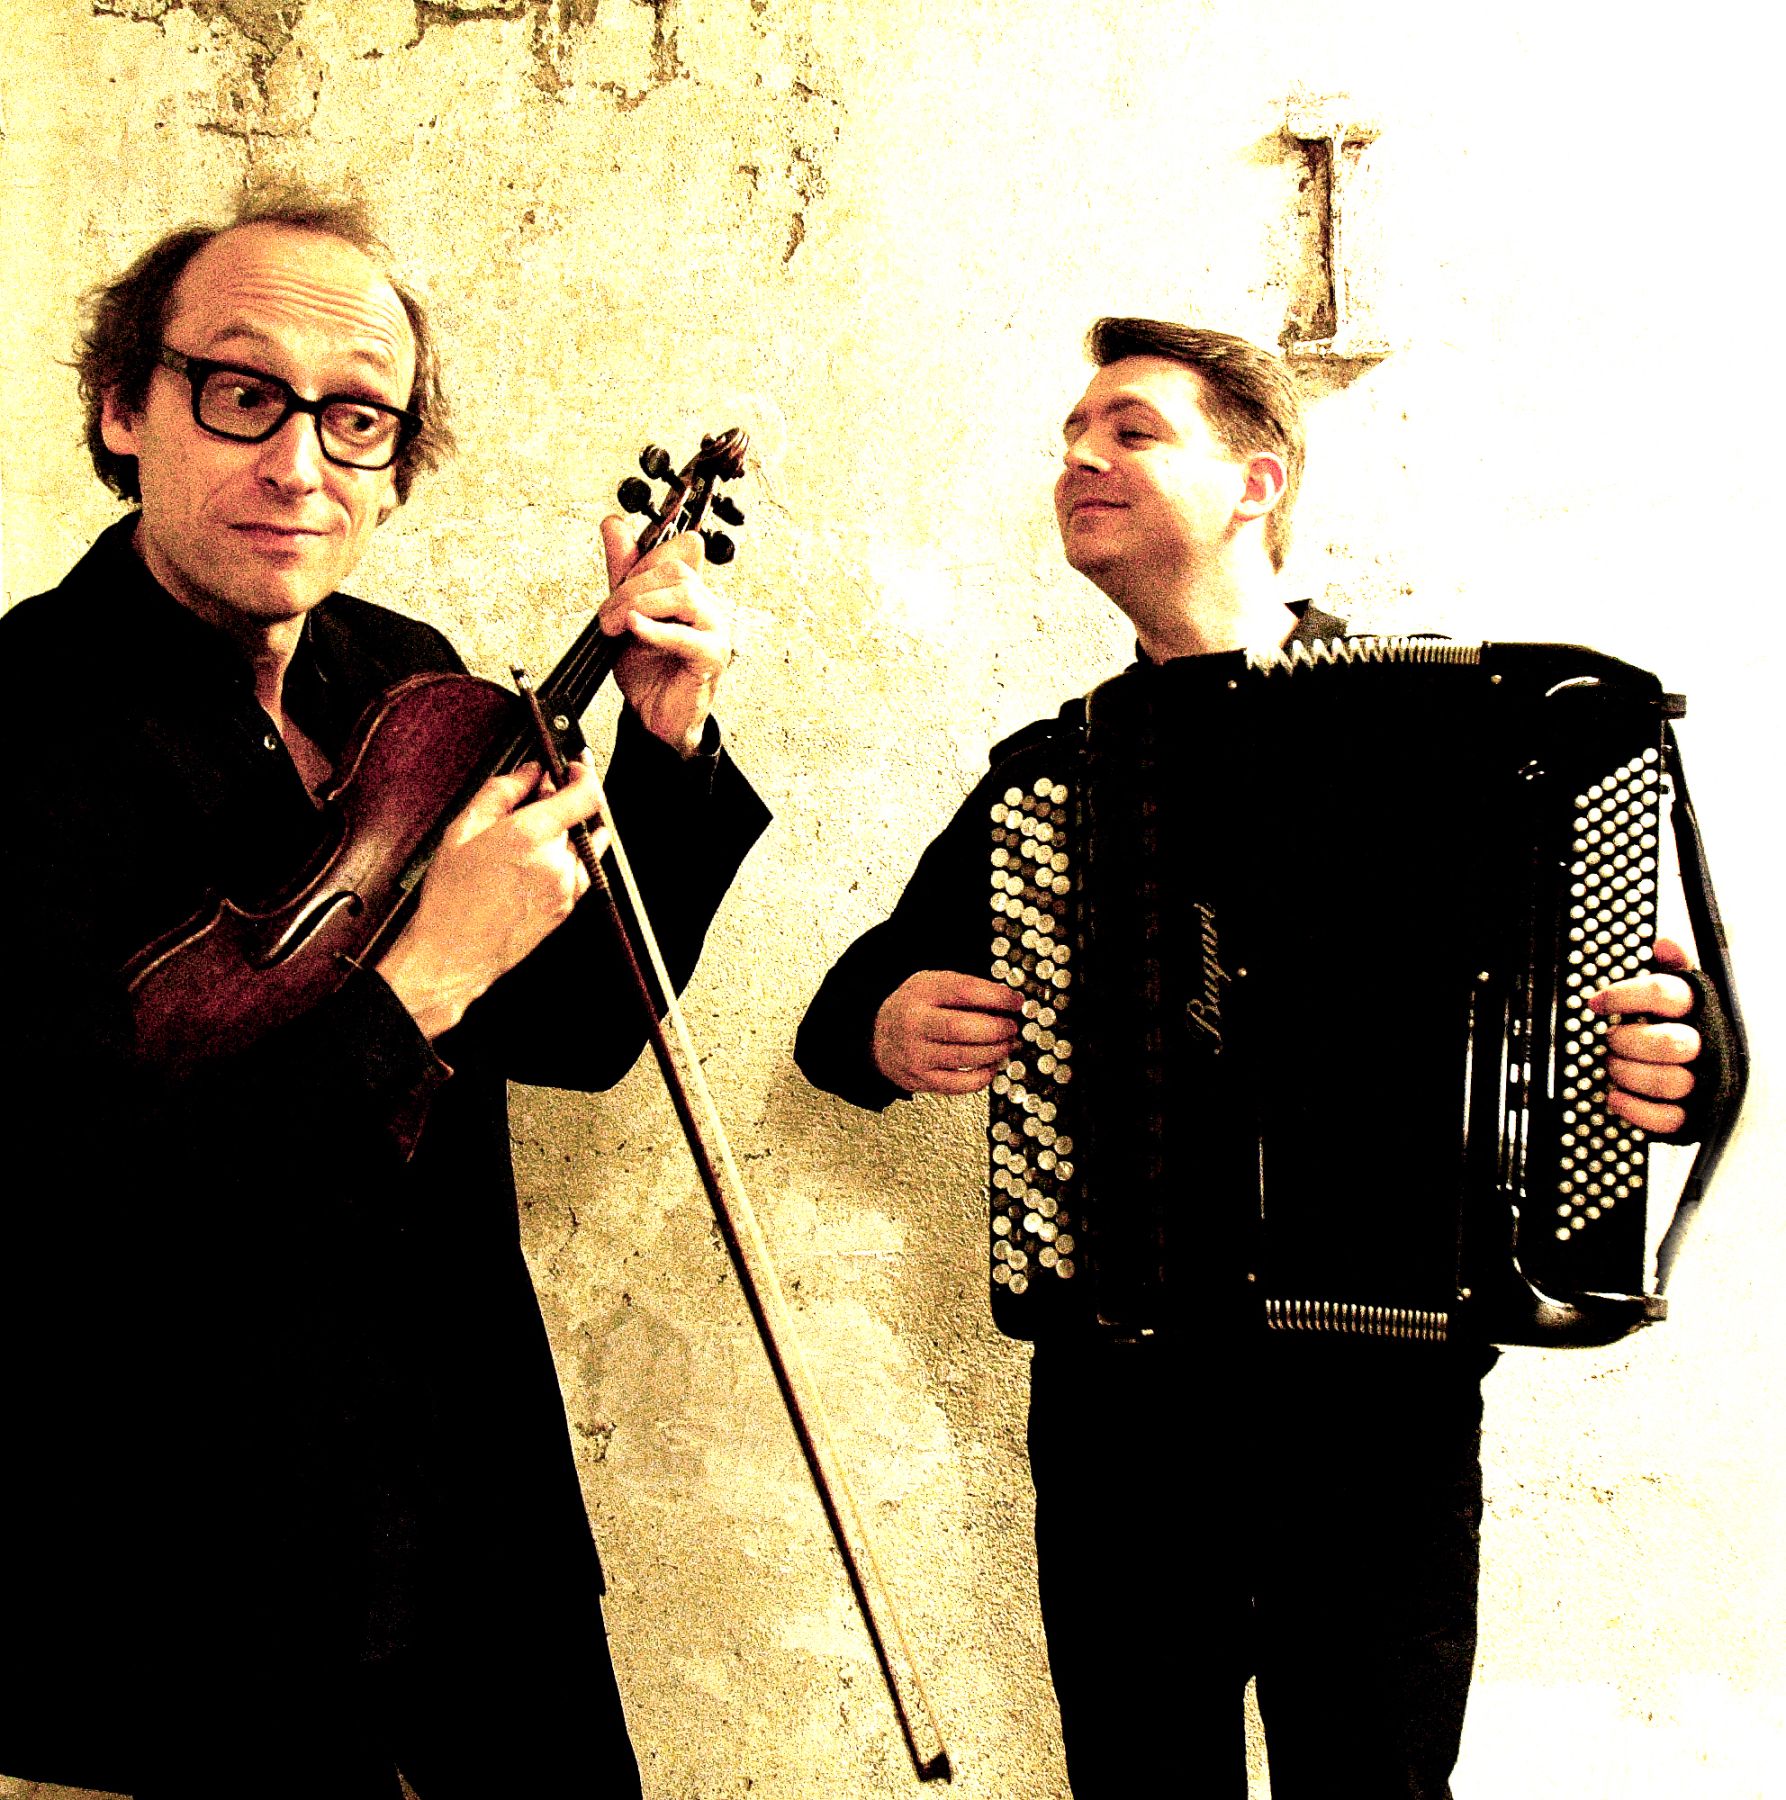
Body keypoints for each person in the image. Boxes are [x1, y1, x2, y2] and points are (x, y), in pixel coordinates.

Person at [795, 318, 1726, 1797]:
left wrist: (1678, 1068)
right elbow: (837, 1019)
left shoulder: (1478, 736)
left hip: (1379, 1426)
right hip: (1123, 1415)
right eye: (1070, 435)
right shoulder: (1060, 774)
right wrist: (886, 1020)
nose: (1079, 456)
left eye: (1131, 429)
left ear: (1254, 482)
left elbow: (1636, 1024)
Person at [0, 184, 768, 1799]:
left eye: (356, 418)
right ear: (124, 407)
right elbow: (74, 1208)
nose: (300, 463)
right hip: (190, 1562)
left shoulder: (400, 674)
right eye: (242, 392)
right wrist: (417, 978)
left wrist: (666, 746)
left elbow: (576, 1033)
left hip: (469, 1514)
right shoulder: (7, 726)